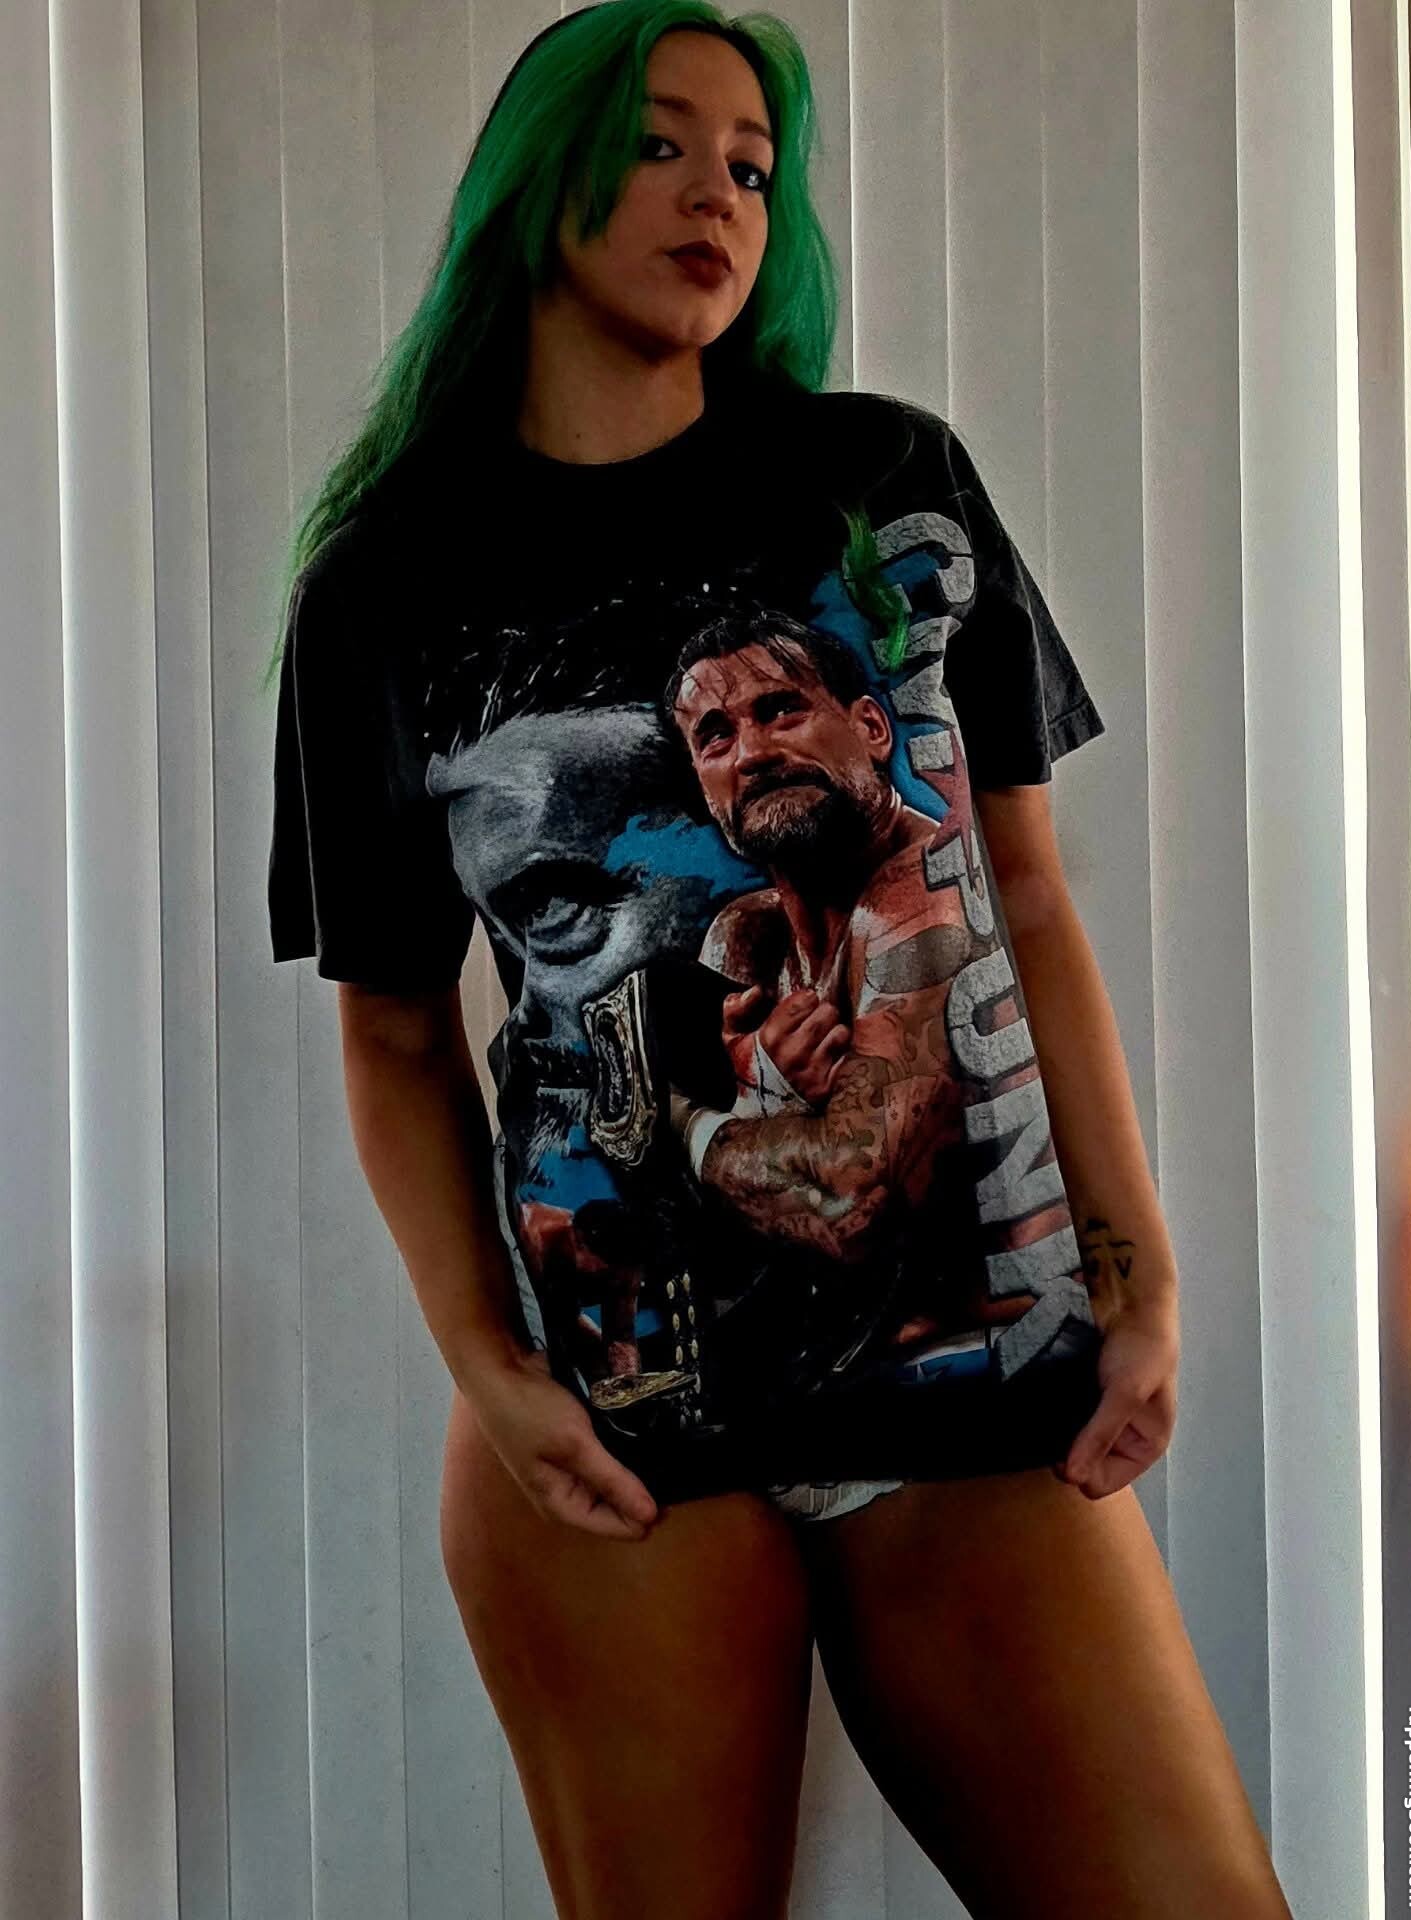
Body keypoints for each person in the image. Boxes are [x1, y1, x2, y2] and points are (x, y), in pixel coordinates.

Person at [265, 4, 1297, 1915]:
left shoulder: (884, 486)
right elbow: (394, 1034)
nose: (718, 197)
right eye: (661, 145)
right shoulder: (390, 590)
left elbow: (1026, 901)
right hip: (619, 1431)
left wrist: (1138, 1276)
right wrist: (489, 1369)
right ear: (539, 182)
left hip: (973, 1388)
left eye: (751, 165)